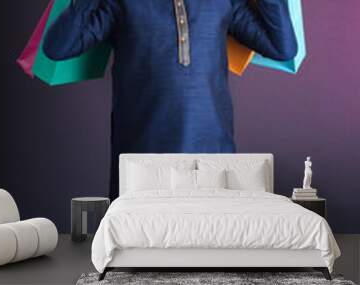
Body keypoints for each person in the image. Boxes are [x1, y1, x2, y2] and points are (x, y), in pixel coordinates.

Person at [43, 0, 298, 200]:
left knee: (212, 253)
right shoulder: (120, 3)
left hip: (212, 154)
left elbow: (282, 48)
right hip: (142, 159)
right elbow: (58, 47)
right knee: (139, 257)